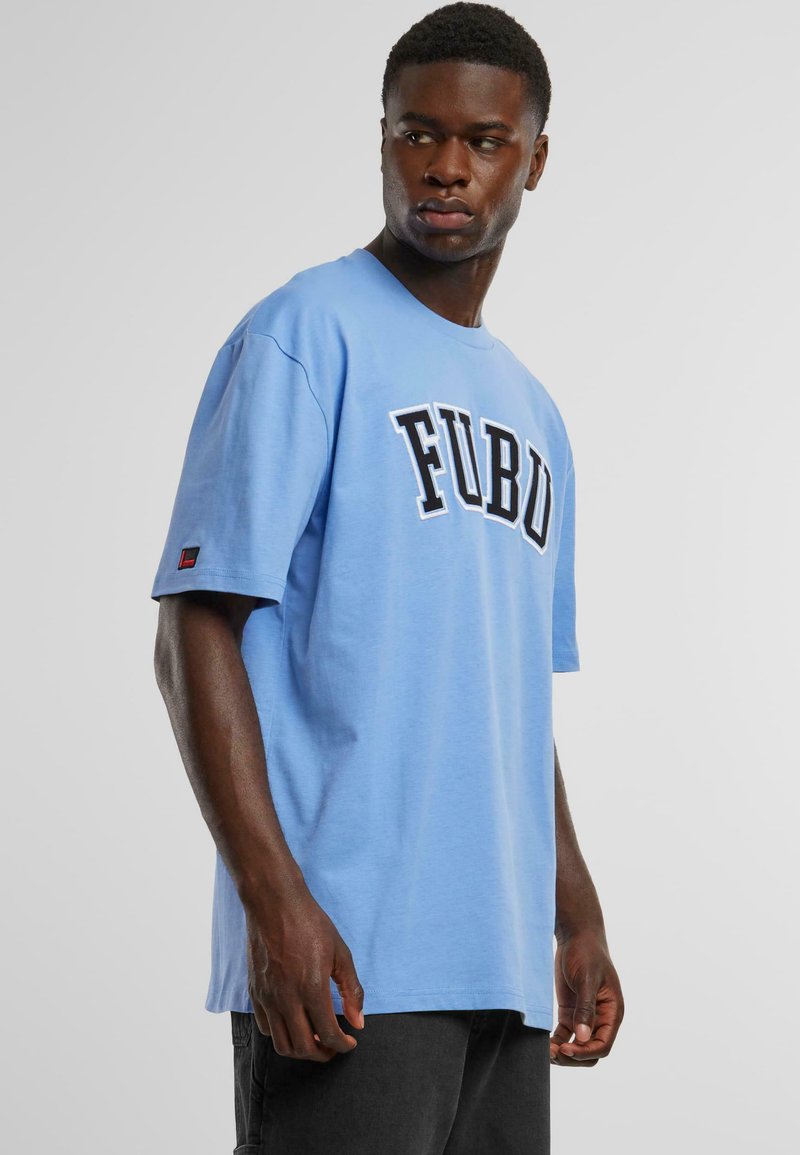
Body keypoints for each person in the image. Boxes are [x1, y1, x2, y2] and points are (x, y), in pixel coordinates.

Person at [151, 3, 624, 1151]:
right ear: (381, 140)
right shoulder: (304, 334)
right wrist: (274, 904)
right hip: (346, 959)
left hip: (497, 965)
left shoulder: (534, 413)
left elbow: (508, 694)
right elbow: (194, 631)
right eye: (418, 133)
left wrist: (573, 912)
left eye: (482, 140)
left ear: (533, 159)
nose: (445, 167)